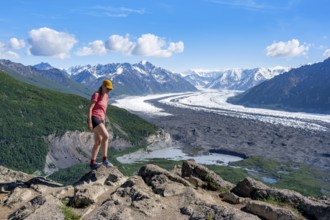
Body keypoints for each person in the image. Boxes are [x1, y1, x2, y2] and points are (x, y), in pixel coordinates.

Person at [87, 79, 113, 169]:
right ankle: (105, 160)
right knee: (106, 136)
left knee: (98, 142)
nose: (108, 90)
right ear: (103, 86)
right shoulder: (96, 95)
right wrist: (90, 122)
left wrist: (104, 123)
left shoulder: (106, 97)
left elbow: (104, 111)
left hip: (100, 119)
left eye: (110, 89)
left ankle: (92, 163)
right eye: (107, 88)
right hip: (94, 118)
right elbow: (90, 108)